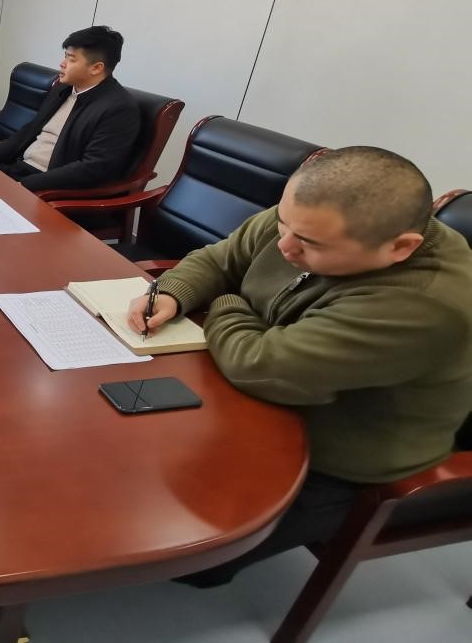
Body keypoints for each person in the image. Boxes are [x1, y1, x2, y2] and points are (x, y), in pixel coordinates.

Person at [125, 147, 472, 587]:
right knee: (125, 453)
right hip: (265, 397)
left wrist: (225, 302)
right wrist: (174, 292)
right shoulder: (310, 215)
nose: (284, 246)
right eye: (283, 224)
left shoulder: (424, 304)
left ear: (400, 248)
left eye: (309, 244)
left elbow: (261, 366)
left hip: (339, 456)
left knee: (198, 554)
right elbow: (221, 258)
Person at [0, 26, 140, 192]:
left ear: (96, 68)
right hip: (18, 168)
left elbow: (93, 168)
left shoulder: (119, 109)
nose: (62, 64)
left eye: (71, 59)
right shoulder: (62, 88)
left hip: (50, 187)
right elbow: (28, 131)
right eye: (65, 56)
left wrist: (23, 186)